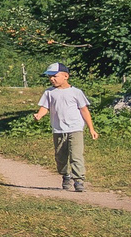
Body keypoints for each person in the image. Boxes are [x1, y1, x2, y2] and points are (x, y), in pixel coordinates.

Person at [37, 63, 91, 193]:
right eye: (49, 77)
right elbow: (45, 107)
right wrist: (39, 114)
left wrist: (91, 128)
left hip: (75, 128)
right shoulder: (49, 92)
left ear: (66, 76)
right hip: (58, 129)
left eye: (55, 76)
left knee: (76, 155)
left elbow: (84, 110)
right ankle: (66, 175)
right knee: (60, 157)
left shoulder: (76, 92)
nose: (51, 79)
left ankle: (79, 180)